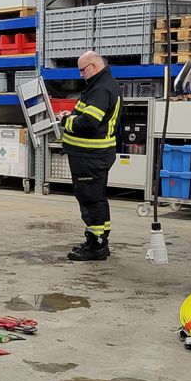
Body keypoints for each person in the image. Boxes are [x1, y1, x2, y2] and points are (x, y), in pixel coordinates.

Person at [58, 50, 121, 261]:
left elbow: (89, 123)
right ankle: (97, 240)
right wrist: (71, 116)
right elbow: (86, 116)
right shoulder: (98, 86)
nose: (81, 75)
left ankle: (97, 246)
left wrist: (65, 122)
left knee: (91, 200)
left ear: (93, 66)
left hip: (91, 156)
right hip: (90, 155)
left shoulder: (101, 89)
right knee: (94, 198)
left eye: (82, 70)